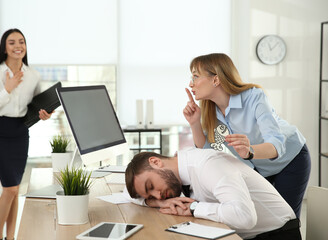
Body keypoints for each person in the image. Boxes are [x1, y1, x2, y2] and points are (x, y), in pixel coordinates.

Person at [182, 53, 310, 218]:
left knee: (287, 220)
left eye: (195, 76)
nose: (191, 84)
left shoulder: (254, 96)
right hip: (259, 168)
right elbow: (207, 150)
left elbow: (277, 144)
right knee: (261, 219)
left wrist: (249, 151)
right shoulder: (211, 110)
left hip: (291, 159)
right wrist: (194, 123)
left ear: (215, 80)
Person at [125, 149, 301, 240]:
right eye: (151, 196)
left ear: (156, 162)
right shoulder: (179, 170)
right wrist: (158, 204)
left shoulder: (207, 166)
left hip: (277, 236)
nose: (158, 195)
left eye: (151, 186)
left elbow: (245, 217)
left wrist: (193, 208)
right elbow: (126, 194)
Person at [0, 28, 52, 240]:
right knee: (10, 189)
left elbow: (37, 107)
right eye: (12, 42)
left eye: (21, 41)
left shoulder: (33, 75)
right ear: (4, 47)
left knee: (14, 189)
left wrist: (44, 113)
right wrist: (7, 89)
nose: (18, 46)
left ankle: (10, 237)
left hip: (20, 133)